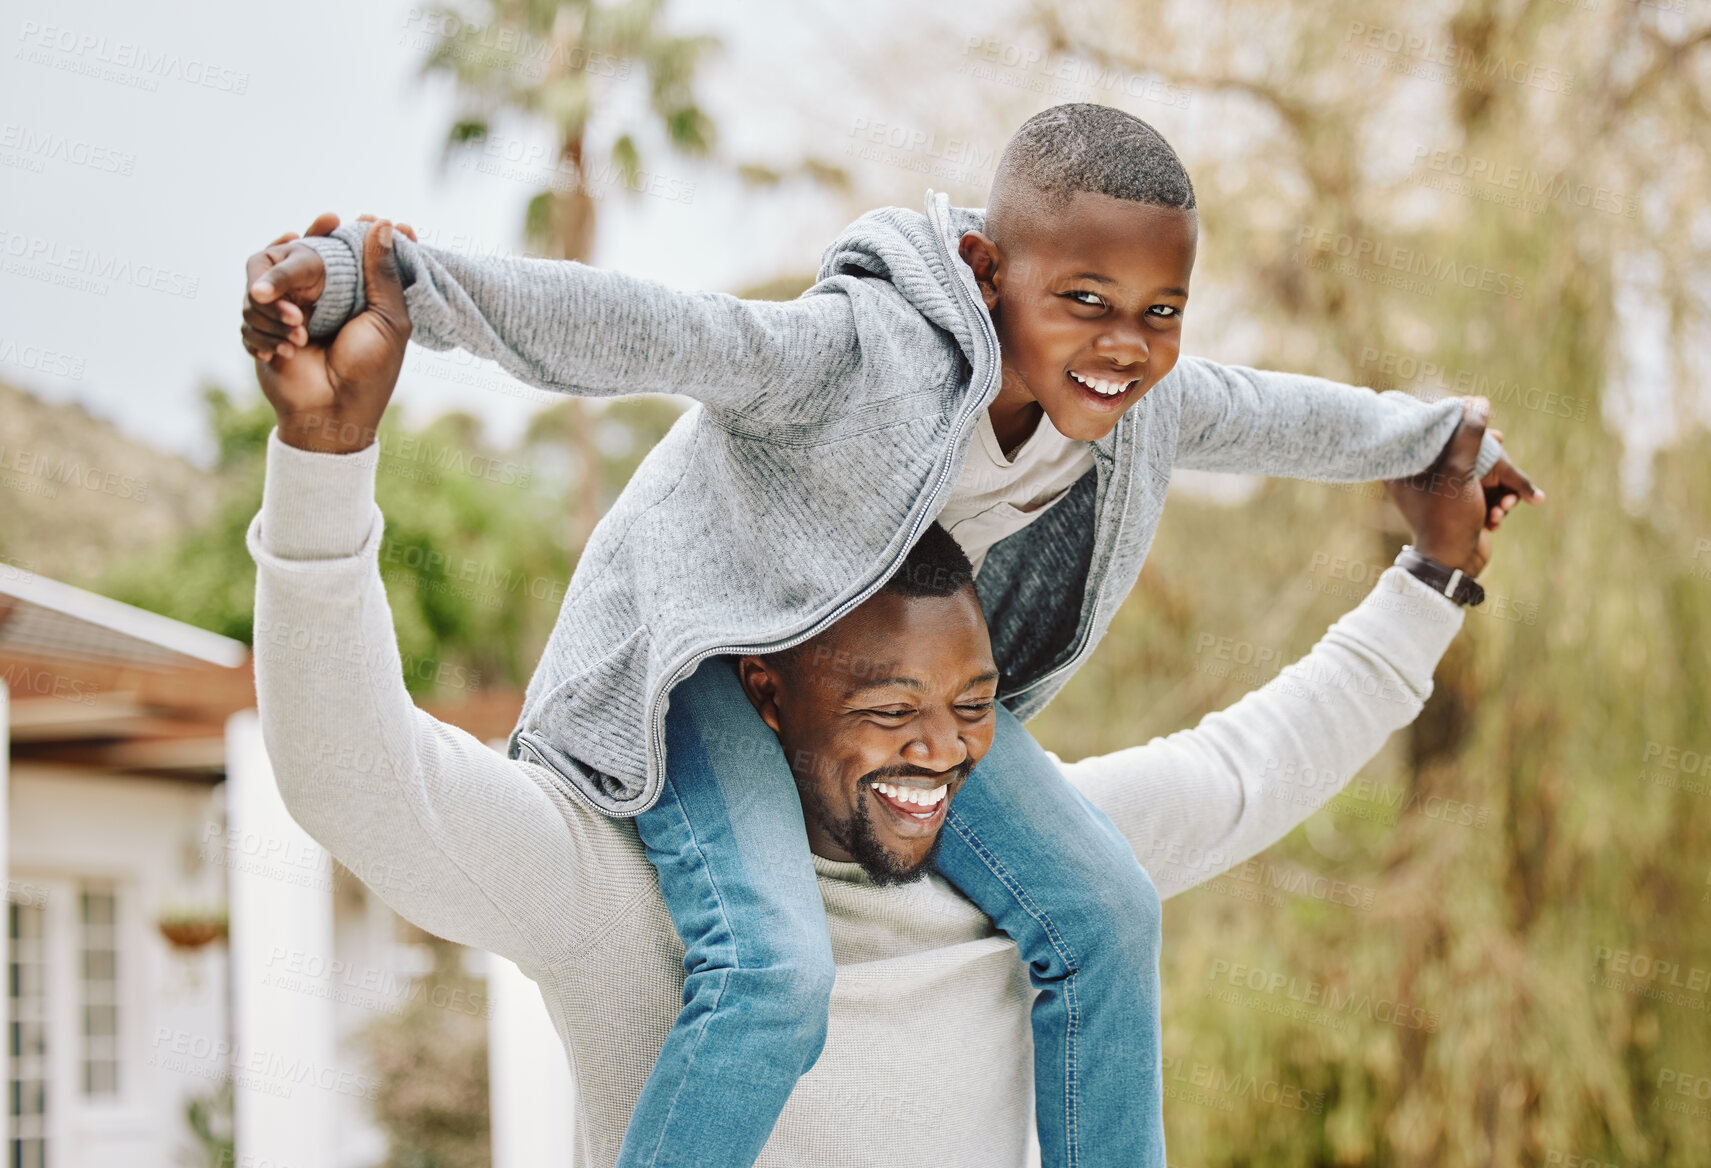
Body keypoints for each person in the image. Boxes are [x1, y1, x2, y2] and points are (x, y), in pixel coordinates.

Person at [241, 103, 1538, 1167]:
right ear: (986, 270)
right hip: (697, 669)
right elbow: (663, 331)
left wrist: (1435, 458)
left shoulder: (1130, 401)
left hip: (799, 691)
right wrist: (396, 283)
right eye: (1086, 301)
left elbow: (1259, 689)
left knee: (1105, 911)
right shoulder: (861, 362)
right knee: (771, 976)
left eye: (1159, 313)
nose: (1126, 349)